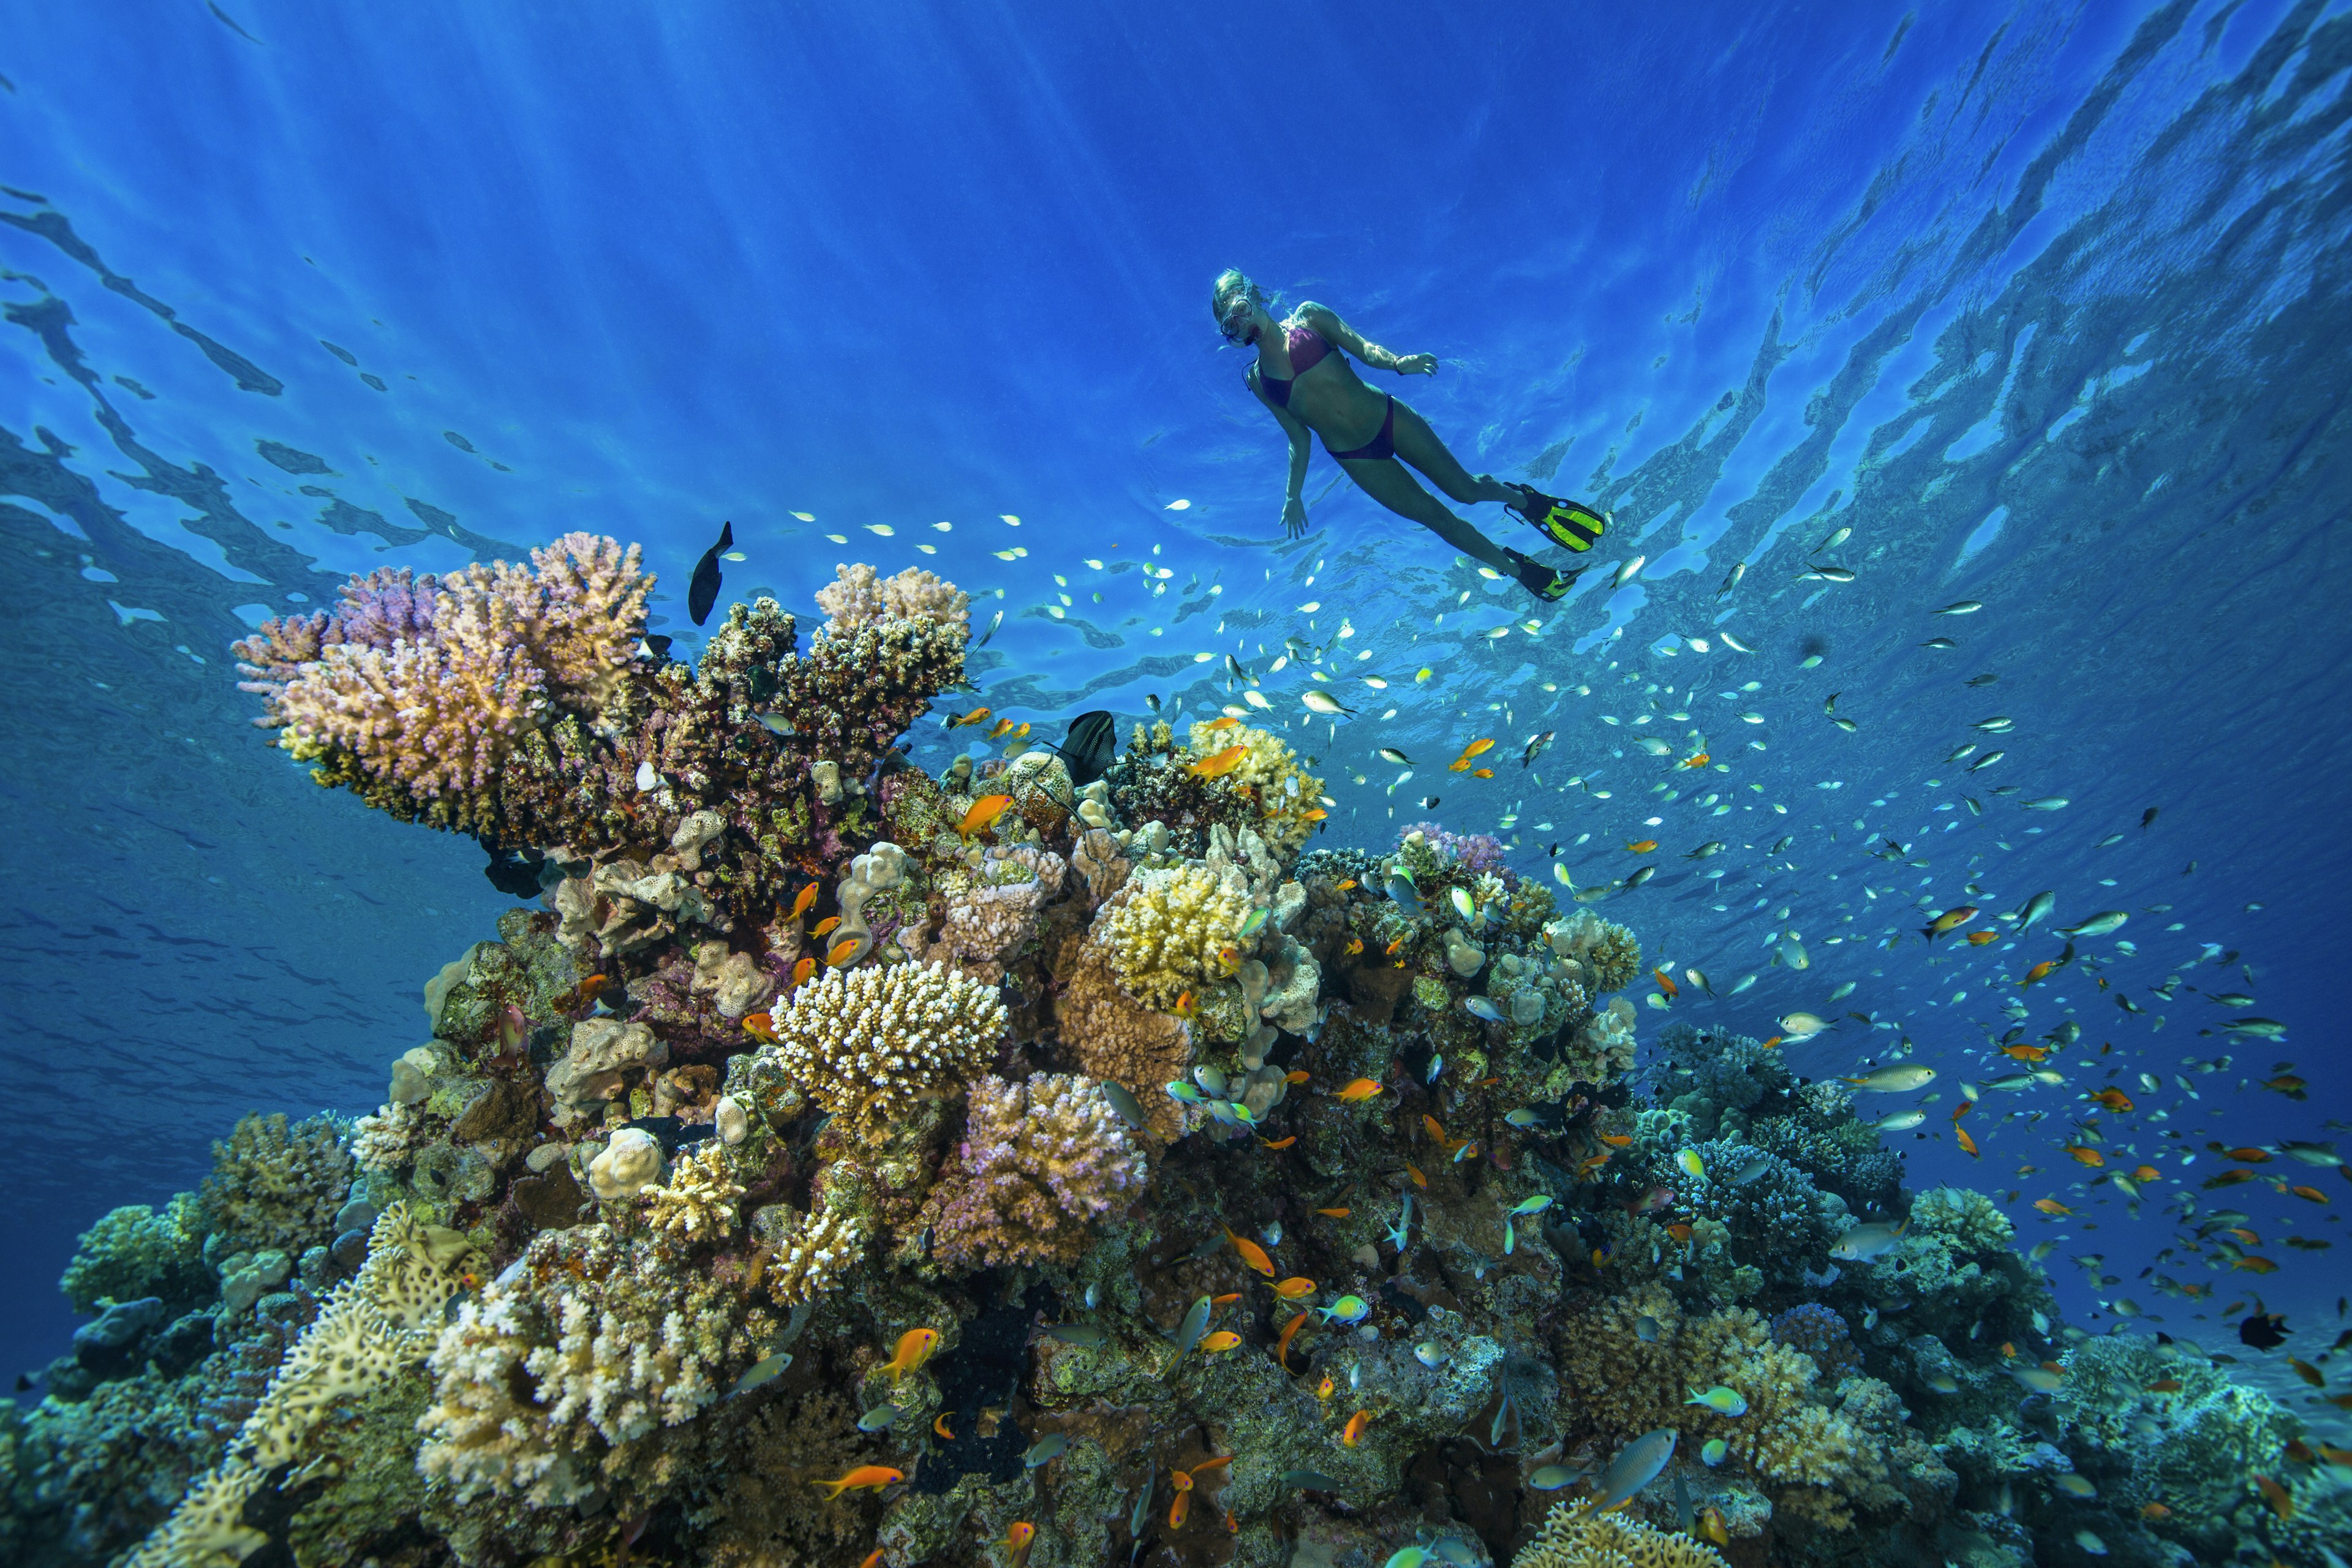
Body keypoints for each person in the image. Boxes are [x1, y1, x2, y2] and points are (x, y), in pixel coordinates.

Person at [1210, 269, 1606, 600]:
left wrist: (1399, 363)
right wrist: (1292, 495)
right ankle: (1516, 568)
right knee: (1437, 519)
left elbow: (1364, 348)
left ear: (1254, 296)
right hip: (1356, 457)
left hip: (1387, 417)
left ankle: (1525, 501)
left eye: (1242, 310)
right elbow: (1298, 437)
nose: (1243, 324)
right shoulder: (1259, 380)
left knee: (1465, 490)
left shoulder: (1309, 318)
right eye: (1232, 325)